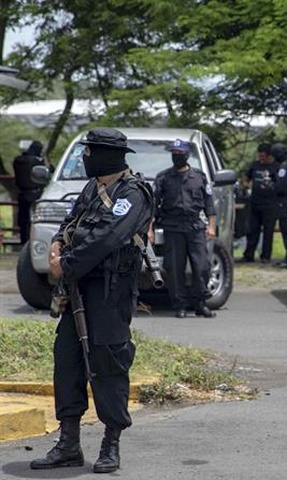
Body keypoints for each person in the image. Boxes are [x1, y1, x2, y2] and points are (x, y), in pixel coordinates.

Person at [31, 128, 153, 474]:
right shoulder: (91, 188)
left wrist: (65, 264)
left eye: (91, 152)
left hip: (110, 292)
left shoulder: (132, 192)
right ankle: (68, 444)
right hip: (77, 290)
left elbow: (108, 237)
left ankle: (110, 445)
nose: (86, 157)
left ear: (110, 155)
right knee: (67, 361)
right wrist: (57, 244)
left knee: (109, 363)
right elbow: (71, 222)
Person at [152, 139, 216, 318]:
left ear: (187, 155)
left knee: (201, 265)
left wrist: (211, 226)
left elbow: (209, 205)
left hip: (195, 226)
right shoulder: (163, 178)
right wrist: (149, 229)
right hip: (172, 227)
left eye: (180, 154)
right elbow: (154, 206)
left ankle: (200, 303)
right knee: (174, 268)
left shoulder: (199, 177)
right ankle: (179, 304)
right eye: (174, 154)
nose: (177, 157)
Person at [240, 143, 280, 263]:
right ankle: (249, 255)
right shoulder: (255, 165)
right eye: (259, 156)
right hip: (255, 202)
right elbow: (245, 178)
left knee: (268, 231)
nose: (261, 158)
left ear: (269, 156)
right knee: (252, 230)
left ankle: (266, 256)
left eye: (263, 156)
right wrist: (247, 187)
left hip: (270, 204)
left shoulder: (276, 167)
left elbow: (280, 183)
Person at [13, 140, 49, 244]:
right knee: (35, 220)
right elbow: (48, 170)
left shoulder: (18, 161)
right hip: (35, 194)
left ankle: (23, 241)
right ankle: (32, 241)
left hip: (22, 194)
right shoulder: (37, 161)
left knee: (23, 220)